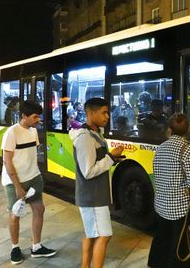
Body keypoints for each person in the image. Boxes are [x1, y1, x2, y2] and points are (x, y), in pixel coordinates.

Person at [69, 98, 125, 268]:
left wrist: (112, 159)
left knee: (91, 234)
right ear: (90, 113)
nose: (107, 116)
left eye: (107, 112)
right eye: (103, 112)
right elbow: (88, 171)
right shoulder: (85, 138)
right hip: (93, 197)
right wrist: (110, 157)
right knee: (105, 235)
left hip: (95, 195)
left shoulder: (95, 133)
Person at [1, 100, 56, 265]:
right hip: (13, 181)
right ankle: (15, 247)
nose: (38, 119)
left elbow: (33, 154)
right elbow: (7, 162)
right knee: (14, 214)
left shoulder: (33, 131)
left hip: (33, 177)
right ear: (24, 116)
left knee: (39, 209)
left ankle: (36, 247)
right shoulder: (12, 133)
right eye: (35, 116)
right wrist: (18, 186)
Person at [148, 113, 190, 268]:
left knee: (162, 238)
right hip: (180, 209)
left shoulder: (161, 148)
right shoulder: (188, 150)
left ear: (169, 130)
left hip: (161, 205)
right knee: (181, 243)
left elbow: (157, 174)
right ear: (188, 130)